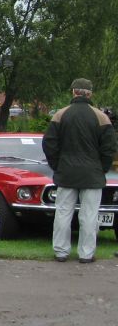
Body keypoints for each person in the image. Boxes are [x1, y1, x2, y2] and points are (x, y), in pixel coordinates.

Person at [42, 78, 117, 263]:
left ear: (73, 92)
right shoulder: (101, 117)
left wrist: (57, 165)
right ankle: (86, 253)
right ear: (89, 93)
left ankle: (61, 251)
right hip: (92, 173)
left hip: (66, 172)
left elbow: (49, 143)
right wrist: (102, 168)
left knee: (63, 213)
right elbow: (109, 148)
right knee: (89, 215)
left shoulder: (60, 115)